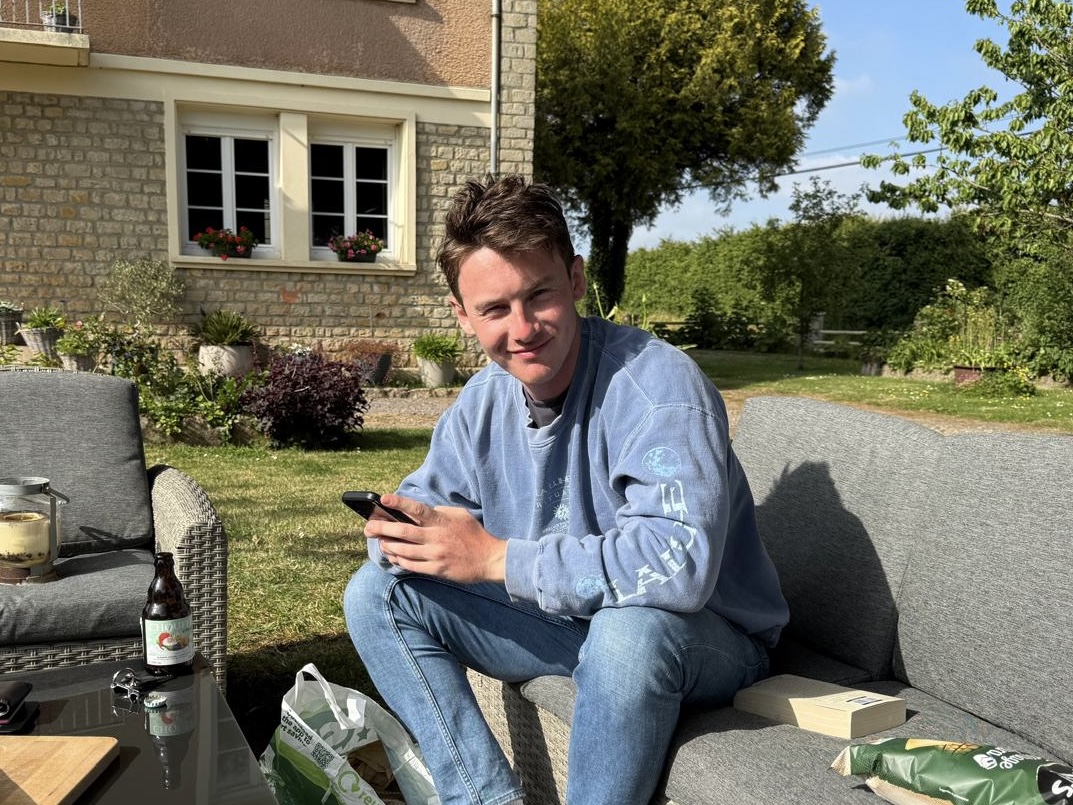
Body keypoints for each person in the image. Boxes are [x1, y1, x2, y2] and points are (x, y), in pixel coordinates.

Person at [343, 174, 788, 805]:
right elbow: (426, 506)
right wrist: (401, 536)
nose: (523, 328)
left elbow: (678, 568)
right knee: (377, 593)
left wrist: (494, 558)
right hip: (572, 620)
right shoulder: (483, 401)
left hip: (705, 638)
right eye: (494, 309)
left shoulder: (659, 391)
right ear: (463, 316)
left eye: (539, 295)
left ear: (575, 280)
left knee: (627, 635)